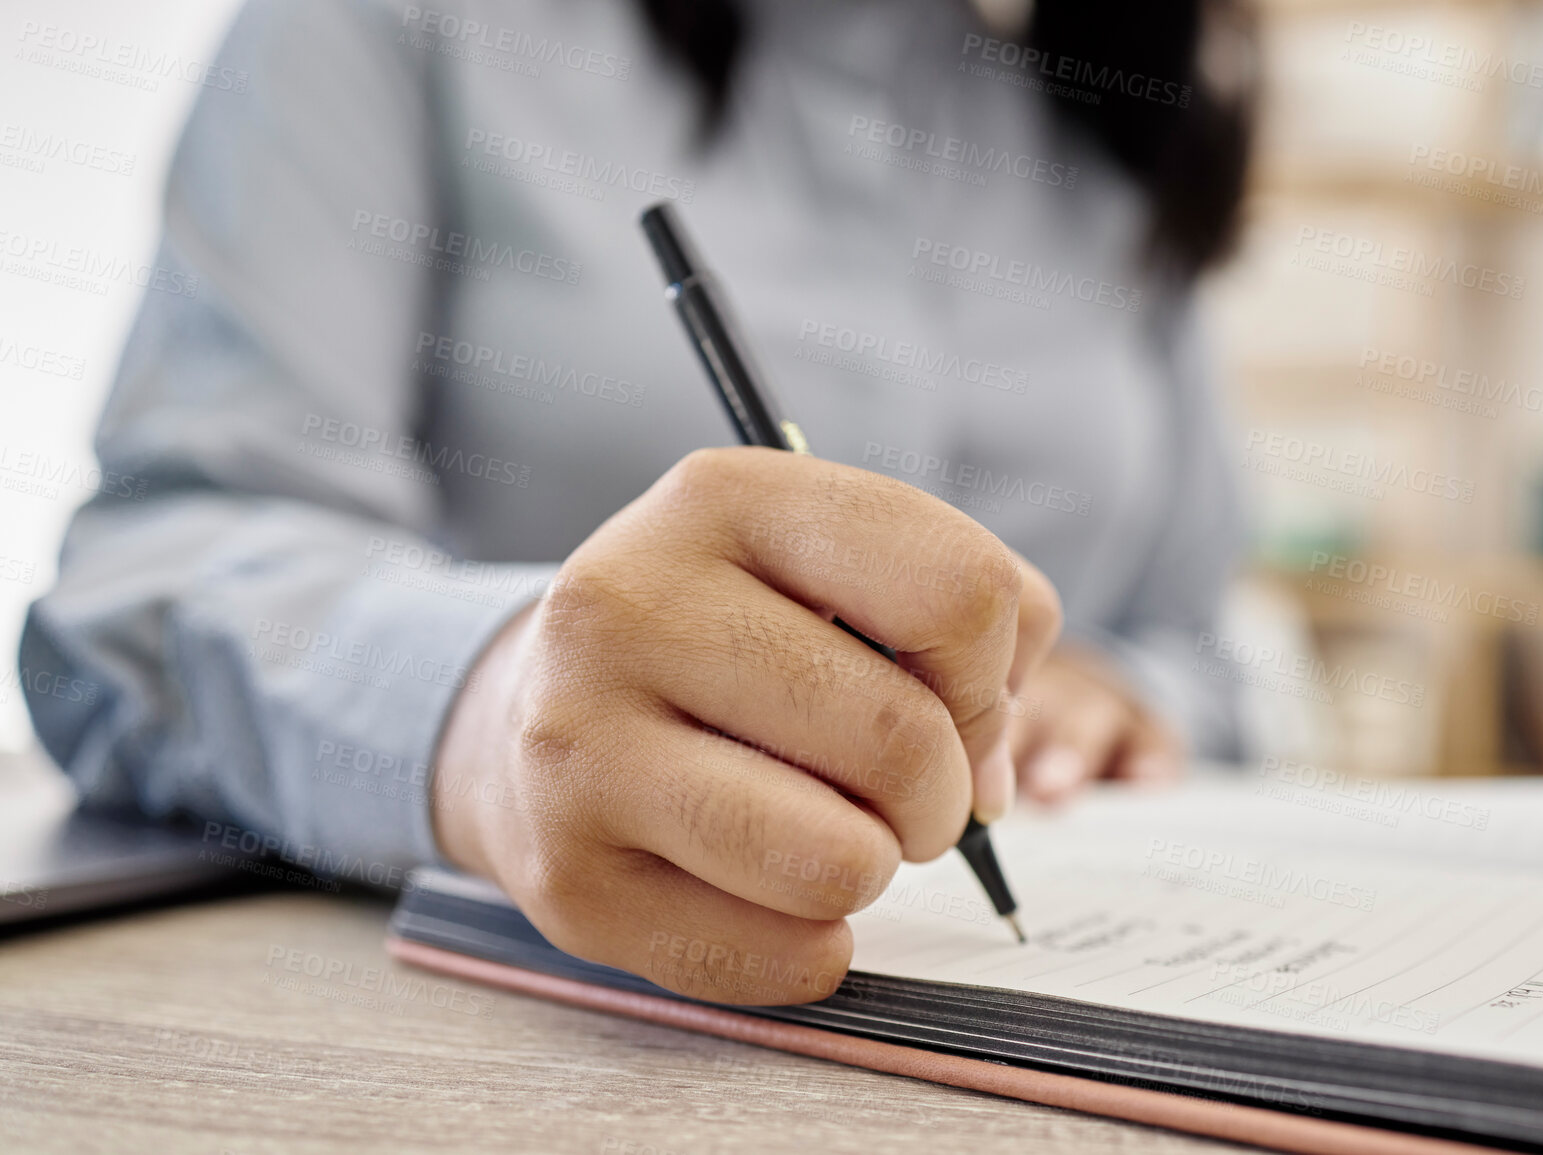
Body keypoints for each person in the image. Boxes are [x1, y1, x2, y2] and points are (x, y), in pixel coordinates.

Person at [20, 0, 1252, 1004]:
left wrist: (1128, 694)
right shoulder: (397, 27)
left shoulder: (1104, 131)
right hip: (494, 1031)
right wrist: (491, 712)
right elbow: (140, 595)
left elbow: (1217, 645)